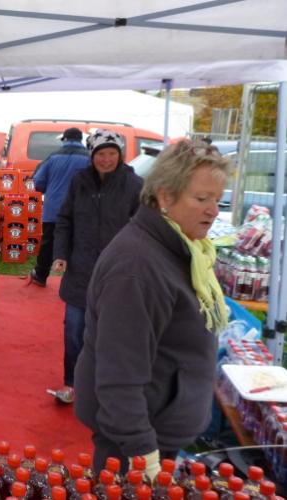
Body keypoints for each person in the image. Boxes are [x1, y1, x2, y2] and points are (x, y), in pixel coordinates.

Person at [74, 139, 231, 475]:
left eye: (217, 199)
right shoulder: (138, 269)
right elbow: (120, 375)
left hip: (158, 421)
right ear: (164, 197)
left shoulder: (180, 247)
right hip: (135, 439)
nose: (214, 210)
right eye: (202, 199)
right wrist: (142, 453)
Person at [51, 129, 144, 404]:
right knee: (74, 329)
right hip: (80, 269)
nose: (106, 159)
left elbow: (144, 228)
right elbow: (65, 219)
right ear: (92, 156)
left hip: (118, 273)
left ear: (120, 155)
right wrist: (61, 253)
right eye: (101, 154)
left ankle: (106, 386)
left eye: (112, 153)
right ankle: (72, 383)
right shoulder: (79, 181)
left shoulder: (135, 185)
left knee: (111, 334)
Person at [29, 127, 90, 287]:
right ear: (81, 140)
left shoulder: (52, 156)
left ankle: (41, 274)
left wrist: (49, 189)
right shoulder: (89, 158)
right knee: (78, 244)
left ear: (65, 139)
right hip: (80, 209)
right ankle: (74, 280)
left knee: (48, 242)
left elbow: (39, 181)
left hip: (54, 208)